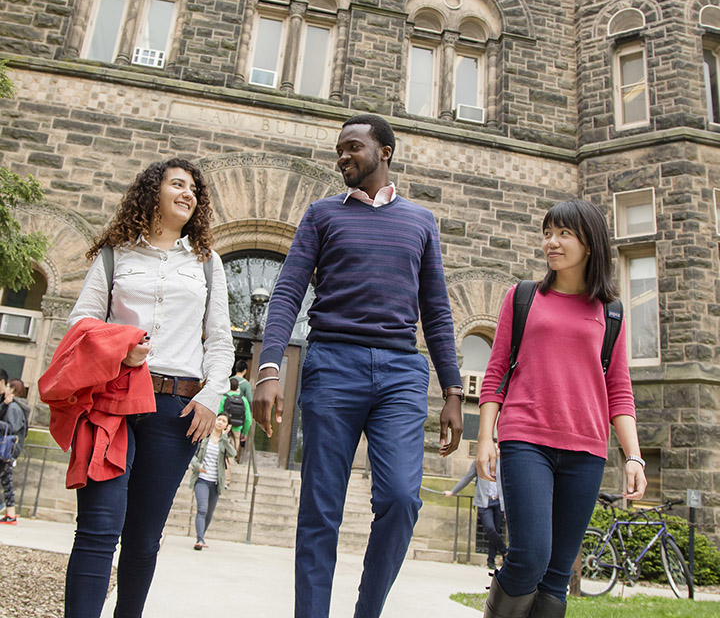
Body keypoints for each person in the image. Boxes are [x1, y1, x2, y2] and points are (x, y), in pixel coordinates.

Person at [252, 114, 464, 618]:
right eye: (339, 150)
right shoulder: (322, 215)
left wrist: (454, 390)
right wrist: (268, 368)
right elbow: (287, 292)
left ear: (384, 151)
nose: (343, 156)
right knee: (320, 509)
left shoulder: (420, 221)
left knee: (401, 500)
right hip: (332, 365)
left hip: (400, 373)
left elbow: (435, 311)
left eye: (353, 148)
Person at [54, 158, 234, 618]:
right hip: (112, 401)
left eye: (194, 189)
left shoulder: (206, 263)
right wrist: (119, 349)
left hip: (175, 409)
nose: (188, 193)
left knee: (142, 537)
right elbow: (82, 323)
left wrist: (212, 396)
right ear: (152, 191)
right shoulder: (116, 254)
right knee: (98, 525)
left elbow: (219, 340)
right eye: (178, 184)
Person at [476, 199, 647, 618]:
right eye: (548, 233)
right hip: (525, 440)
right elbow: (496, 370)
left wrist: (634, 455)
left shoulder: (611, 312)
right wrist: (485, 437)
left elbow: (618, 388)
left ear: (590, 244)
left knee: (557, 576)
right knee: (530, 555)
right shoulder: (523, 297)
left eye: (564, 234)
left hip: (586, 451)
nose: (552, 242)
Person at [444, 444, 507, 570]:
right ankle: (505, 551)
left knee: (495, 530)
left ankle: (491, 560)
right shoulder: (479, 462)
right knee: (490, 529)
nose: (496, 451)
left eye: (498, 449)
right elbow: (467, 477)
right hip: (484, 502)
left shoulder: (503, 464)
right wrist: (453, 492)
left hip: (498, 502)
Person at [189, 411, 236, 550]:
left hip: (216, 483)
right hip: (202, 479)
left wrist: (225, 437)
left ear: (227, 425)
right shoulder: (204, 437)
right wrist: (198, 466)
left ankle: (201, 536)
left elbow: (232, 453)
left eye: (224, 421)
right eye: (219, 419)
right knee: (202, 509)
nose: (220, 422)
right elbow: (193, 455)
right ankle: (199, 539)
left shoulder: (224, 441)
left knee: (209, 513)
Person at [0, 371, 30, 525]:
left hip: (7, 448)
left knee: (7, 480)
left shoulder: (14, 407)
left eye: (7, 387)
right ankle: (10, 513)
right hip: (9, 448)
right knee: (6, 479)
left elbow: (12, 428)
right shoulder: (12, 405)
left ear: (12, 389)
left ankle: (9, 512)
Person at [219, 374, 252, 468]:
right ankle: (228, 477)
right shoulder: (244, 399)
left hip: (223, 428)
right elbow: (248, 419)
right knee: (231, 454)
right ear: (238, 387)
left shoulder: (223, 397)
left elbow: (218, 412)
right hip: (237, 429)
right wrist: (244, 433)